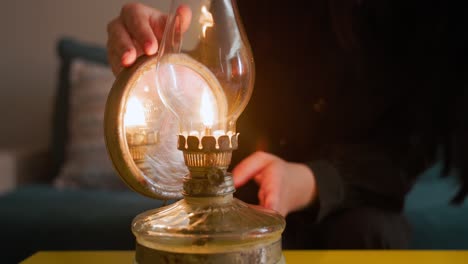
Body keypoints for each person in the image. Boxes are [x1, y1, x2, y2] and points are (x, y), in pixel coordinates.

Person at [107, 0, 468, 249]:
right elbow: (222, 74)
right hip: (245, 186)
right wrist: (155, 69)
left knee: (365, 231)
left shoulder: (428, 21)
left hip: (361, 198)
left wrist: (315, 180)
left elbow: (409, 145)